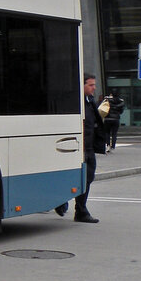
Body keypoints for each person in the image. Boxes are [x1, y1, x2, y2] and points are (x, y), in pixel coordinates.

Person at [55, 74, 103, 223]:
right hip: (76, 148)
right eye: (90, 85)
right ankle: (76, 209)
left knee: (88, 178)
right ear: (81, 85)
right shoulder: (74, 103)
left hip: (88, 147)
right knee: (75, 177)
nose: (94, 88)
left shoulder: (90, 101)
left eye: (94, 85)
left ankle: (76, 208)